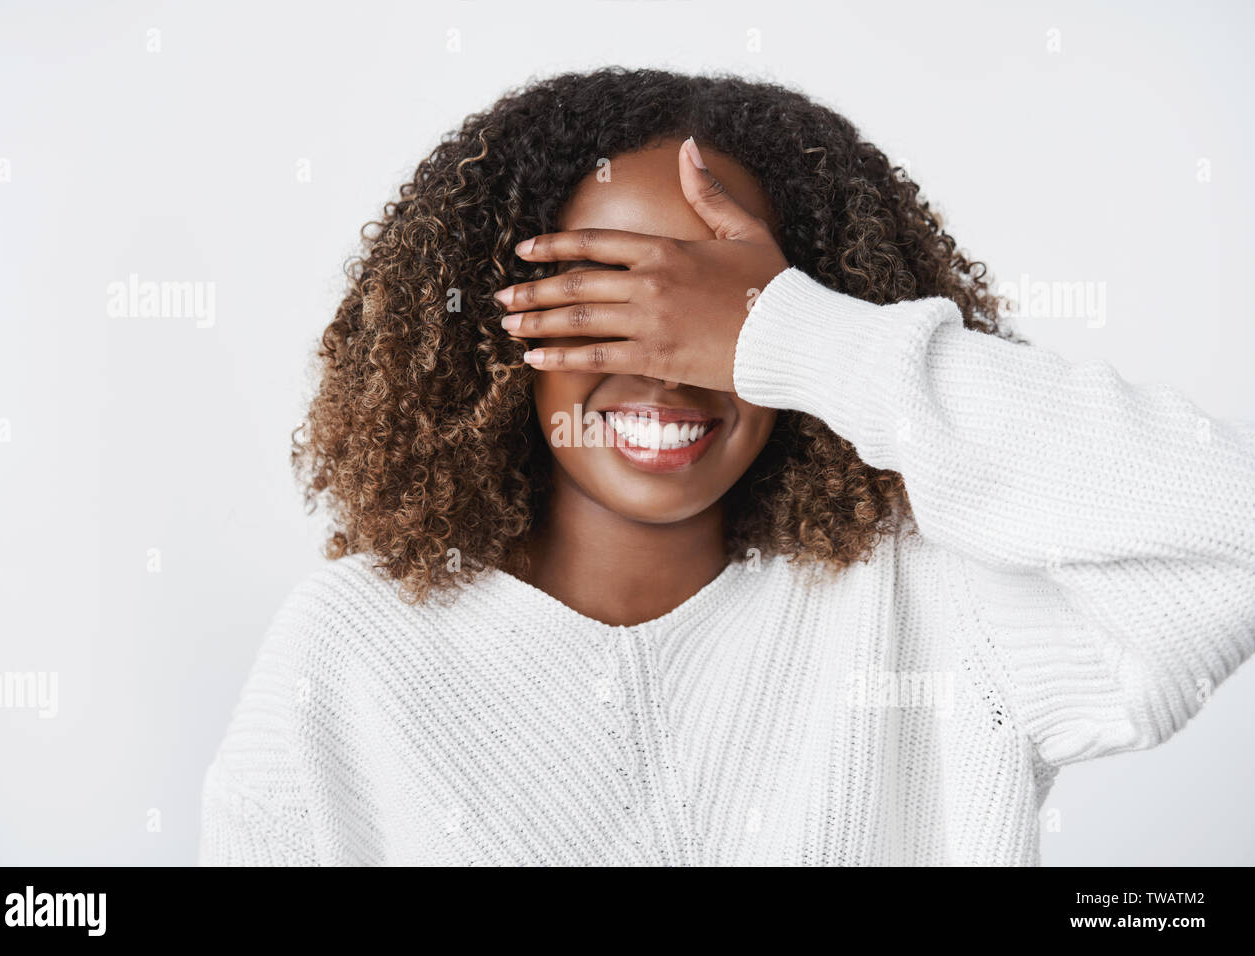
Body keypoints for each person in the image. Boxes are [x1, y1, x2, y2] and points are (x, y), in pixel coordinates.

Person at [198, 68, 1255, 865]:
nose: (667, 371)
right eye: (609, 302)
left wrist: (803, 337)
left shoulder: (931, 602)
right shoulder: (348, 651)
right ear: (497, 333)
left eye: (709, 316)